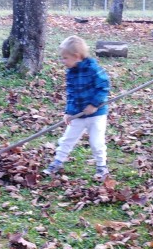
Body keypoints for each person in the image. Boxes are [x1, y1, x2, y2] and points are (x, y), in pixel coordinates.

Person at [43, 36, 111, 181]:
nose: (63, 61)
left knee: (96, 142)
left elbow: (104, 87)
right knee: (67, 139)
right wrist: (68, 111)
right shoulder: (71, 73)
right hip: (78, 114)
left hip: (96, 114)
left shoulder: (93, 69)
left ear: (76, 56)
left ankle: (102, 166)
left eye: (65, 58)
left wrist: (94, 104)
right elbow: (71, 94)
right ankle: (57, 162)